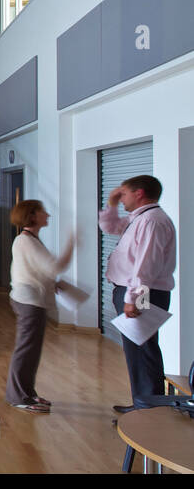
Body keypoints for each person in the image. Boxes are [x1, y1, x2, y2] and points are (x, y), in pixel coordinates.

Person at [99, 175, 176, 414]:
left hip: (143, 294)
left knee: (144, 353)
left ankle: (149, 411)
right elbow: (110, 227)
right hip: (135, 292)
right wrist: (111, 204)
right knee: (138, 352)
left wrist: (133, 299)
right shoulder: (140, 218)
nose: (122, 198)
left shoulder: (152, 221)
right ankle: (144, 405)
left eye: (124, 194)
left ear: (139, 193)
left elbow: (146, 266)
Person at [5, 199, 75, 414]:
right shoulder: (25, 241)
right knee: (26, 350)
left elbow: (37, 269)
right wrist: (72, 243)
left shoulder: (31, 240)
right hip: (29, 302)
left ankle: (27, 392)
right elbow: (54, 266)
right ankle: (18, 397)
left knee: (32, 351)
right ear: (33, 216)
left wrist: (53, 284)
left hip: (32, 299)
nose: (48, 215)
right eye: (43, 211)